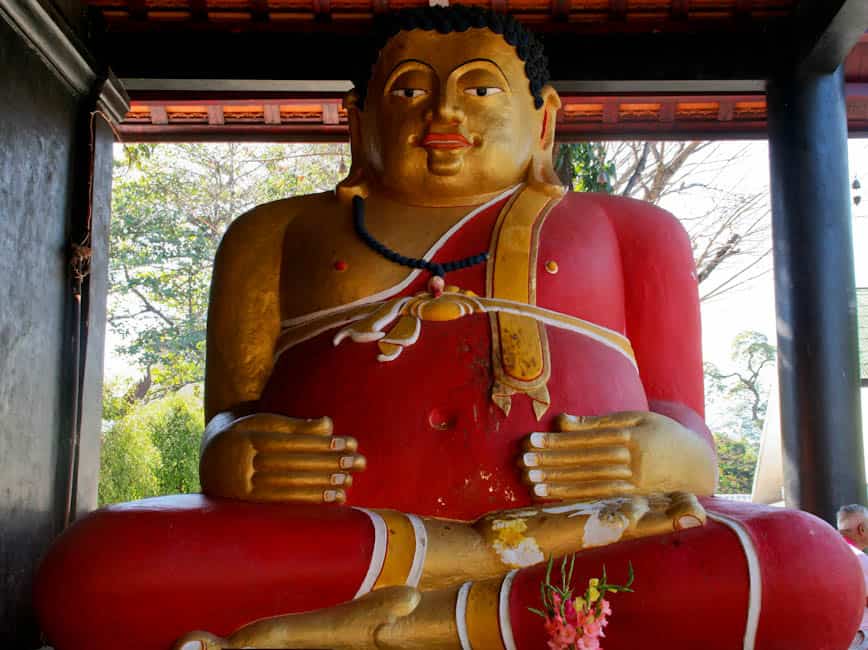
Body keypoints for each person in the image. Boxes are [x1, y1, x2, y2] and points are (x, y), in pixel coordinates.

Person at [35, 7, 865, 650]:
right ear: (359, 122)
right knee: (91, 570)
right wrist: (238, 447)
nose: (443, 112)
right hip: (357, 540)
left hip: (574, 538)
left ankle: (395, 625)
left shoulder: (633, 230)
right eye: (407, 90)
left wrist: (658, 452)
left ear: (543, 122)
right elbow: (228, 421)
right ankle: (484, 595)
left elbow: (691, 436)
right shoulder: (275, 232)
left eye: (478, 87)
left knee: (816, 568)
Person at [840, 504, 868, 649]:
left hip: (837, 636)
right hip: (861, 637)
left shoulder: (827, 553)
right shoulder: (860, 558)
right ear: (862, 529)